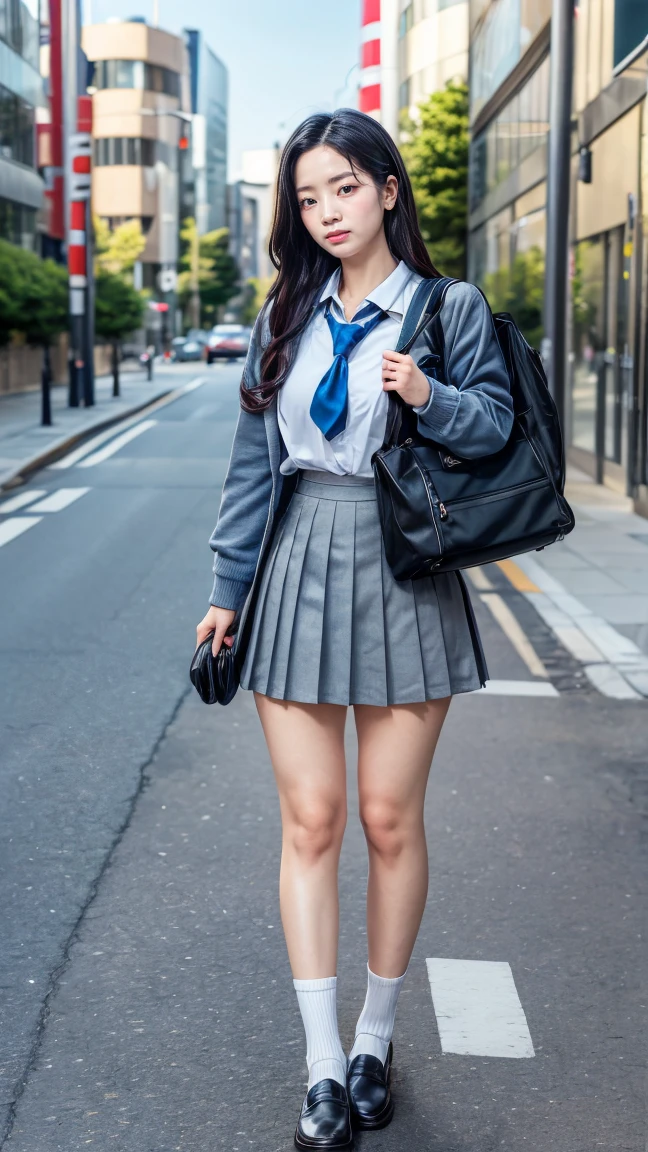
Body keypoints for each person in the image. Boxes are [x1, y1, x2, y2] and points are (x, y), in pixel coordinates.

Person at [195, 108, 513, 1150]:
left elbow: (496, 430)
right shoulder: (284, 312)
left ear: (386, 188)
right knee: (312, 821)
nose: (326, 211)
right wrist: (226, 591)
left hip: (405, 569)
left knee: (386, 818)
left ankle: (376, 1039)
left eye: (342, 187)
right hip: (296, 570)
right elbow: (255, 470)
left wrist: (427, 392)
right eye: (305, 196)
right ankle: (323, 1062)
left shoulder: (445, 306)